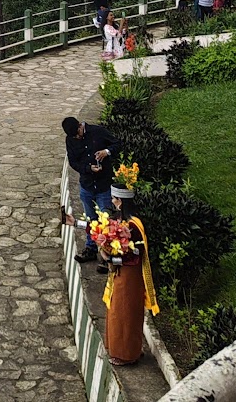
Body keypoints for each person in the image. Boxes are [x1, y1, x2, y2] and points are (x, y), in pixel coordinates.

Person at [98, 190, 158, 365]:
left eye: (115, 199)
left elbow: (134, 257)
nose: (112, 201)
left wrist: (111, 258)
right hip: (121, 274)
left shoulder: (133, 226)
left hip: (130, 277)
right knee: (117, 310)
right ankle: (119, 348)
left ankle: (127, 354)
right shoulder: (122, 220)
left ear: (122, 201)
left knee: (125, 313)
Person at [61, 116, 117, 265]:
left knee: (106, 221)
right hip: (87, 184)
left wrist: (106, 151)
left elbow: (118, 143)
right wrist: (87, 169)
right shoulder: (71, 140)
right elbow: (73, 162)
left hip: (103, 185)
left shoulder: (98, 132)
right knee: (91, 219)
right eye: (74, 137)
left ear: (81, 126)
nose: (77, 138)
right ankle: (91, 248)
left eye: (78, 134)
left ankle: (107, 253)